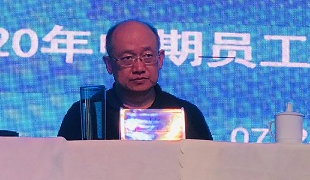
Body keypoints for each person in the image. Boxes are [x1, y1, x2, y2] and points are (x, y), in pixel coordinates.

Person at [58, 19, 212, 140]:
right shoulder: (86, 113)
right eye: (127, 58)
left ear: (160, 59)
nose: (139, 68)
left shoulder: (186, 113)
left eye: (147, 56)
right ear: (109, 64)